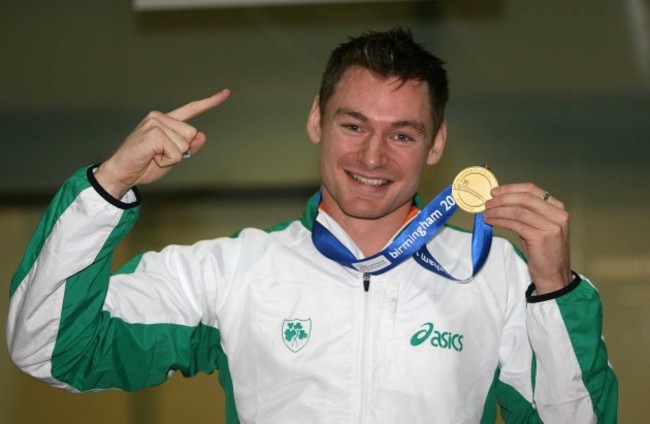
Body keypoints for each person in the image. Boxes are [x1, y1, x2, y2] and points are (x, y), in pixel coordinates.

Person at [7, 27, 617, 423]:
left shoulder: (498, 276)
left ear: (437, 145)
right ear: (316, 122)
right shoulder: (229, 273)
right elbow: (50, 350)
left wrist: (555, 291)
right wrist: (108, 186)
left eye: (402, 134)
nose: (373, 158)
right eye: (353, 126)